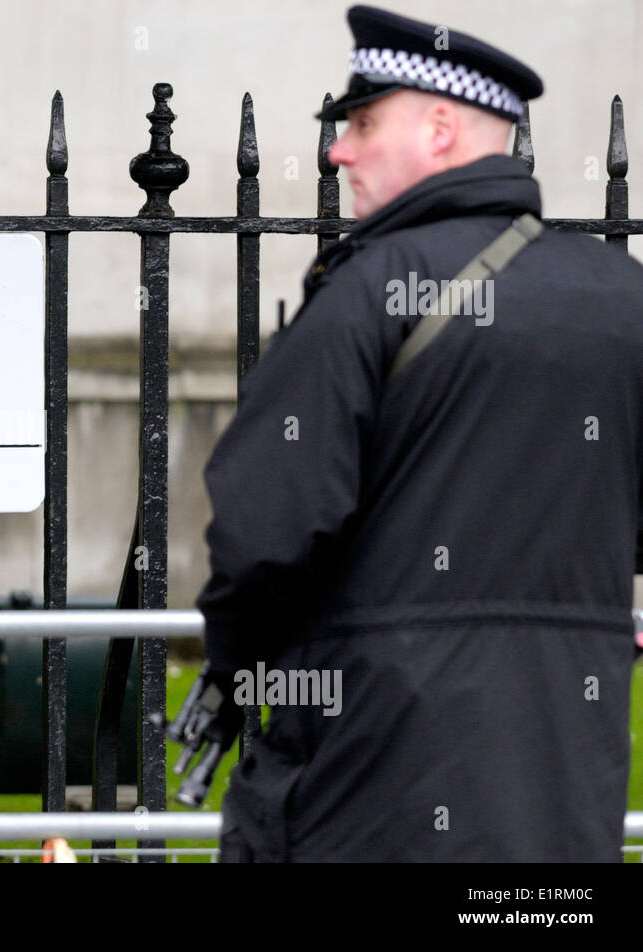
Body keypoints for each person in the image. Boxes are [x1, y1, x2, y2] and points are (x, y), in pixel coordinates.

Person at [197, 4, 643, 861]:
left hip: (369, 777)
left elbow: (264, 532)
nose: (339, 149)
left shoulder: (368, 293)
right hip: (560, 782)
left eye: (363, 122)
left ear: (440, 129)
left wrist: (239, 660)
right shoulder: (620, 297)